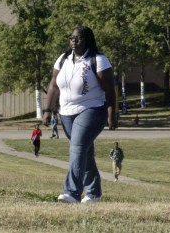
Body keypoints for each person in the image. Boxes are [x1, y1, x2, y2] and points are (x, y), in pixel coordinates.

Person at [43, 26, 117, 204]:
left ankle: (71, 193)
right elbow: (53, 85)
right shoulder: (63, 59)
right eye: (72, 38)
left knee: (77, 148)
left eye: (79, 38)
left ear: (88, 40)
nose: (74, 41)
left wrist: (111, 114)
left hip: (92, 109)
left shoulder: (98, 60)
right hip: (66, 112)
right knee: (83, 151)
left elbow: (109, 90)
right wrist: (48, 109)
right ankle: (93, 193)